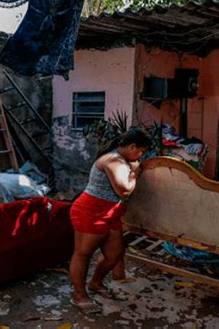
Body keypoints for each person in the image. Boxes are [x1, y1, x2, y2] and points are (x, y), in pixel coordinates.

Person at [69, 128, 152, 313]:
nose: (140, 155)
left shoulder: (122, 159)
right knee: (83, 254)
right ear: (132, 146)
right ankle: (79, 295)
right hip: (91, 210)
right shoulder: (113, 160)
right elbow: (124, 191)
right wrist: (134, 173)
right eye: (140, 151)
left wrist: (132, 168)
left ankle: (96, 282)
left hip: (110, 211)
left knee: (115, 254)